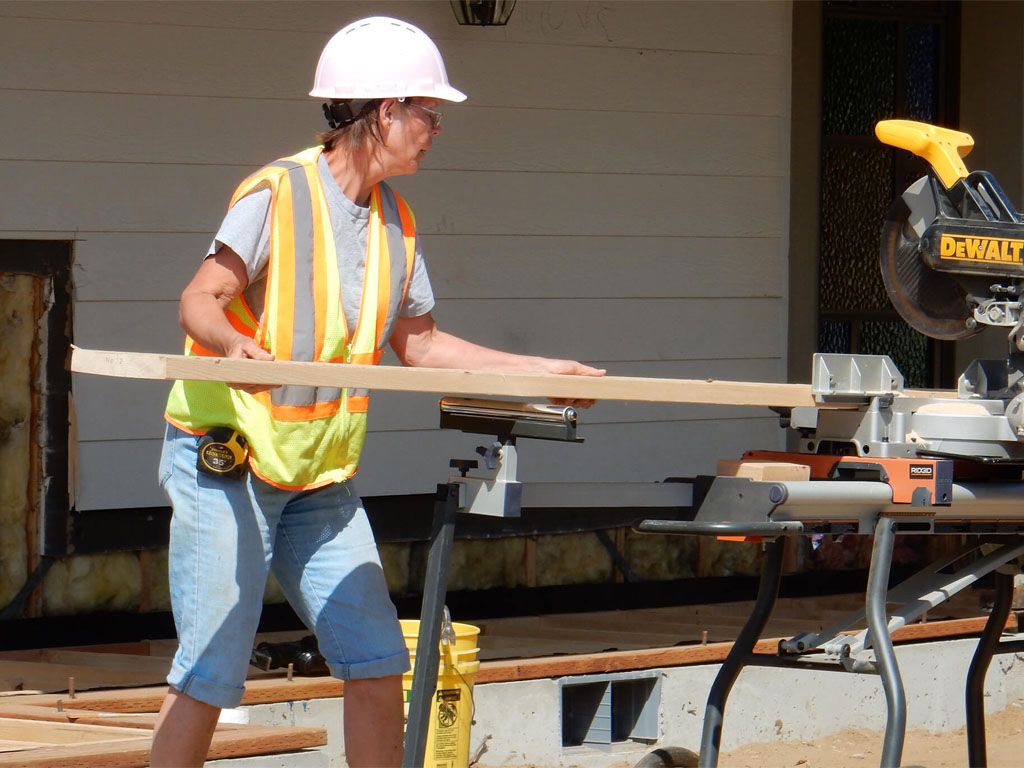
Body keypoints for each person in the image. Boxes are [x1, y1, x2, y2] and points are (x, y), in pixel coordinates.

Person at [149, 16, 604, 768]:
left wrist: (535, 373)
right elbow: (201, 297)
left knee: (375, 660)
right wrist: (234, 345)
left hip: (318, 473)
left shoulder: (396, 221)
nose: (434, 128)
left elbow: (420, 343)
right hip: (224, 460)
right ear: (384, 112)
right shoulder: (277, 193)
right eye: (427, 112)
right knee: (210, 673)